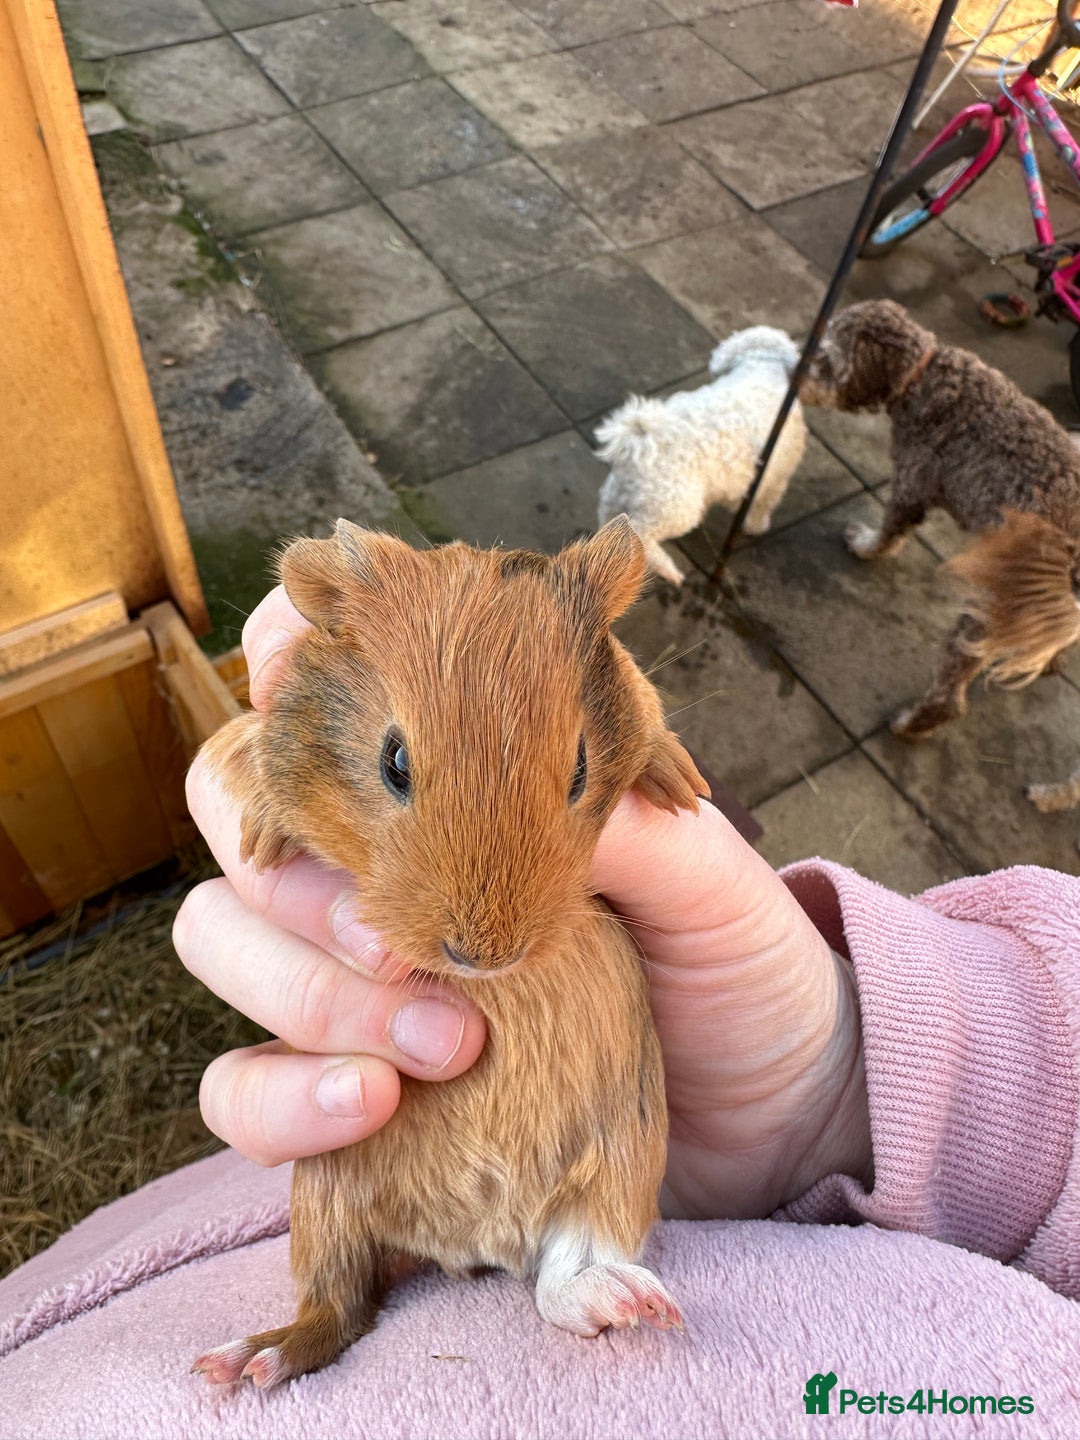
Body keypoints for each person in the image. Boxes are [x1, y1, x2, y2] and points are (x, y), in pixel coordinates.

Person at [1, 588, 1078, 1439]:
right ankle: (328, 1308)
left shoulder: (600, 690)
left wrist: (839, 1081)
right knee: (333, 1135)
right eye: (401, 764)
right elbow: (268, 749)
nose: (479, 922)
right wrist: (269, 781)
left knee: (521, 1113)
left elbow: (618, 685)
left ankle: (579, 1255)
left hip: (590, 1135)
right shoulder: (327, 692)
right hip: (389, 1141)